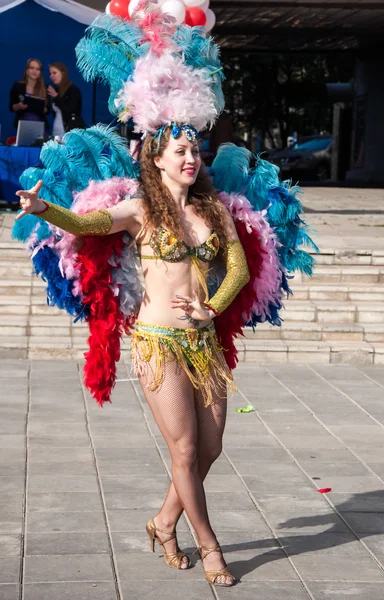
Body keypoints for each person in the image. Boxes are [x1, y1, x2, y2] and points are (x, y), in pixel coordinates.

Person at [16, 122, 248, 587]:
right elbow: (90, 224)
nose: (191, 158)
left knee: (212, 445)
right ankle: (209, 545)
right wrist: (42, 208)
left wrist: (212, 307)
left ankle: (164, 522)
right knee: (184, 447)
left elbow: (238, 269)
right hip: (157, 341)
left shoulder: (212, 210)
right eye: (180, 151)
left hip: (202, 343)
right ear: (157, 159)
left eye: (195, 151)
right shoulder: (142, 210)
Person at [48, 62, 86, 137]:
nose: (51, 76)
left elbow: (69, 110)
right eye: (50, 74)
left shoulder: (73, 90)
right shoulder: (56, 90)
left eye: (54, 73)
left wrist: (56, 97)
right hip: (57, 132)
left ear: (63, 73)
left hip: (70, 132)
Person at [9, 58, 48, 128]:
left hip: (40, 124)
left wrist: (41, 108)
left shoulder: (45, 88)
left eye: (37, 69)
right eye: (32, 68)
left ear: (40, 72)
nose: (34, 71)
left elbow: (47, 110)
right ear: (27, 70)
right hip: (22, 124)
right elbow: (11, 107)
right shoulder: (17, 86)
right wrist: (19, 106)